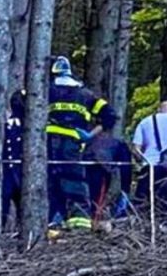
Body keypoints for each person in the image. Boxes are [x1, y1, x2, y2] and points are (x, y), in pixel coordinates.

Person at [47, 56, 116, 229]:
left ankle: (52, 223)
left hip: (48, 144)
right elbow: (110, 115)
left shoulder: (46, 90)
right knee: (74, 183)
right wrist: (90, 135)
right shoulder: (85, 94)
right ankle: (79, 226)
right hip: (74, 146)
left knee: (48, 184)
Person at [87, 117, 135, 223]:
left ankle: (92, 218)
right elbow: (126, 169)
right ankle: (94, 219)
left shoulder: (85, 141)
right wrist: (125, 189)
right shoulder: (116, 143)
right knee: (96, 198)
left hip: (94, 171)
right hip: (100, 172)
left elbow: (125, 167)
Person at [2, 91, 24, 226]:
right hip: (6, 173)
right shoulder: (5, 124)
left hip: (22, 172)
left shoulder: (31, 126)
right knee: (3, 202)